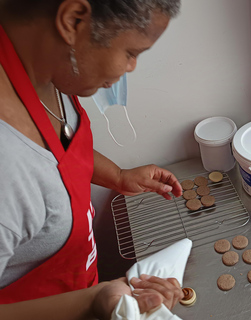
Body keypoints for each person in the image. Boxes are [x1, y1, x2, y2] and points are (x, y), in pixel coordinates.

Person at [0, 0, 185, 318]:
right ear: (73, 21)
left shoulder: (50, 68)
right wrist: (92, 301)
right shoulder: (7, 169)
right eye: (131, 53)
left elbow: (58, 155)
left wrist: (116, 175)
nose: (131, 68)